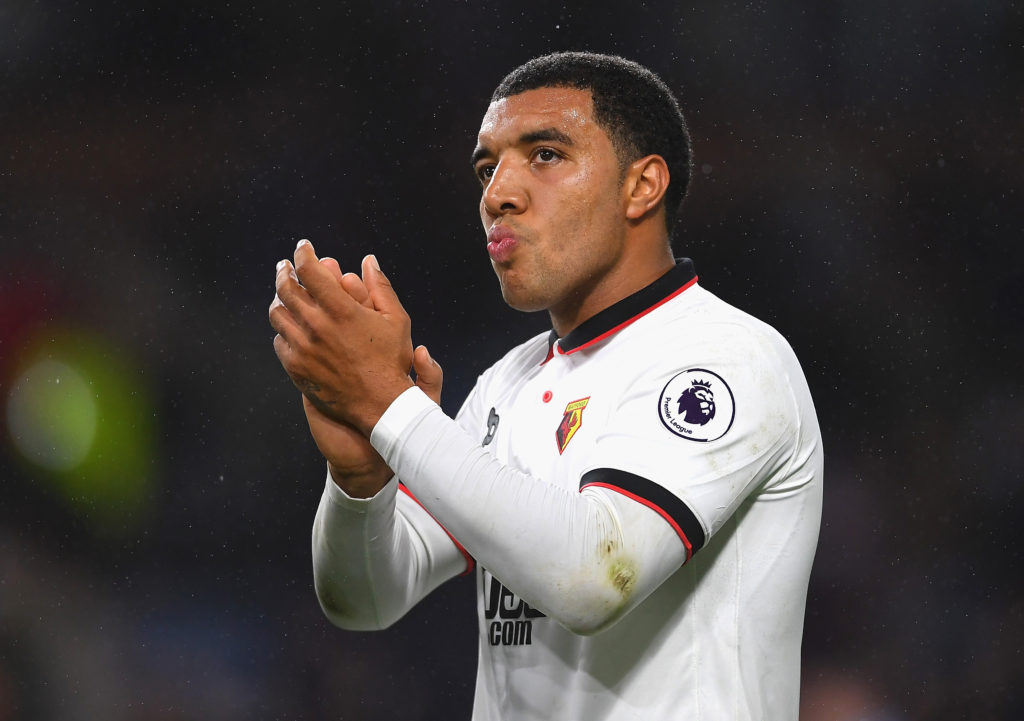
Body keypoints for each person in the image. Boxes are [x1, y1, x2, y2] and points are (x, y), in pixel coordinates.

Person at [269, 51, 823, 721]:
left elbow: (596, 577)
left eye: (546, 155)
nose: (497, 193)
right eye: (486, 167)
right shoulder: (506, 385)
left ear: (641, 186)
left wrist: (390, 406)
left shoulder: (727, 356)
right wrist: (359, 480)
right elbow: (364, 600)